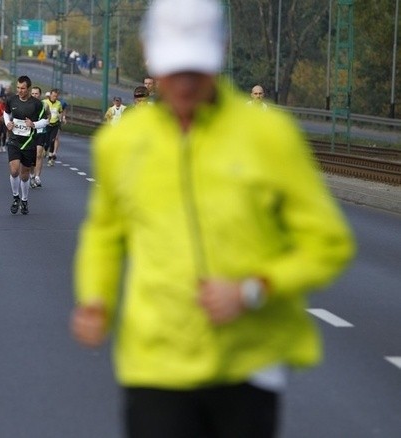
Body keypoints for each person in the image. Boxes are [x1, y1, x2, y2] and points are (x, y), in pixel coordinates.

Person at [70, 1, 355, 437]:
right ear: (150, 56)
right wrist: (95, 298)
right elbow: (104, 233)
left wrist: (253, 289)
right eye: (173, 69)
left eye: (196, 70)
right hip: (155, 359)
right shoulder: (122, 143)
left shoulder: (269, 135)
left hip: (248, 358)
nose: (184, 84)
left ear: (220, 52)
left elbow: (328, 243)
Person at [3, 75, 48, 215]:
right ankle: (15, 197)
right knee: (14, 170)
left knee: (24, 174)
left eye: (22, 88)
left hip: (29, 142)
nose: (20, 90)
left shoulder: (36, 104)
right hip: (14, 140)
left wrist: (33, 124)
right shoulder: (11, 100)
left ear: (28, 89)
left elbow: (46, 120)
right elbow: (6, 113)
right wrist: (7, 123)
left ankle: (24, 199)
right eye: (18, 88)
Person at [28, 86, 50, 188]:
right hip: (30, 133)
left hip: (41, 131)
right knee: (32, 156)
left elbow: (48, 115)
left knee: (39, 154)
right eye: (32, 93)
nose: (34, 95)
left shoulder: (44, 105)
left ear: (40, 95)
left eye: (36, 93)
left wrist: (46, 122)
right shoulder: (27, 104)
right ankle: (32, 175)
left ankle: (37, 176)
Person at [43, 88, 66, 167]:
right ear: (50, 95)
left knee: (52, 141)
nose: (54, 98)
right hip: (46, 125)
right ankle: (45, 150)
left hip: (55, 125)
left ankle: (50, 159)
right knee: (46, 142)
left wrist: (62, 118)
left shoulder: (59, 104)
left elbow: (60, 111)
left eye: (56, 96)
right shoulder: (44, 102)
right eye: (53, 96)